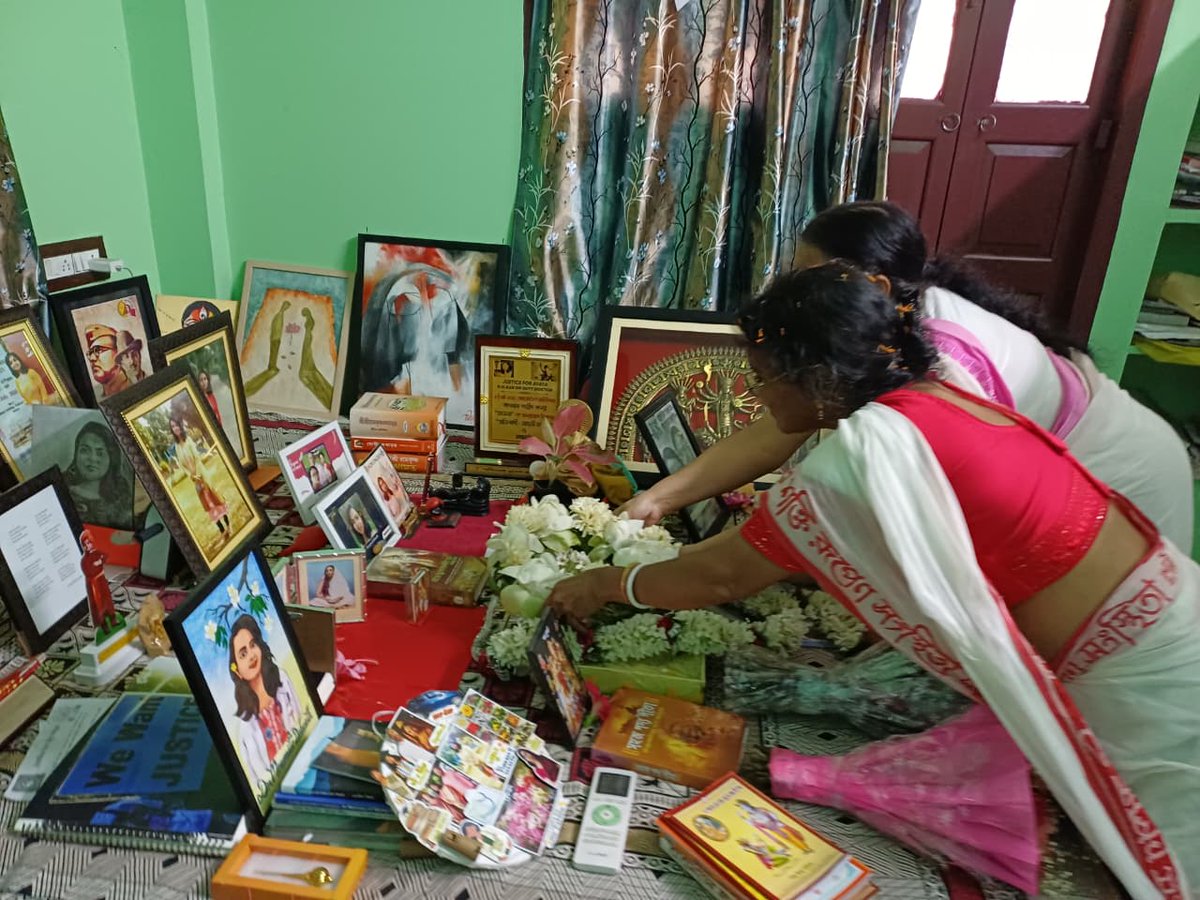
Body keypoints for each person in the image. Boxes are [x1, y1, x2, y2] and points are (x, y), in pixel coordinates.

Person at [547, 264, 1200, 895]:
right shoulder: (931, 399)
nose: (756, 397)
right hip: (1159, 610)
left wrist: (605, 585)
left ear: (817, 381)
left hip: (1137, 672)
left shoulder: (865, 455)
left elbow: (722, 575)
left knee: (1166, 860)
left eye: (764, 380)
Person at [622, 201, 1194, 552]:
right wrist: (659, 499)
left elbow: (929, 524)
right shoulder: (885, 330)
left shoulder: (941, 368)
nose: (799, 293)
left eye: (814, 277)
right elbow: (783, 427)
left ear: (874, 287)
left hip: (1117, 485)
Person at [228, 613, 301, 788]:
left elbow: (303, 721)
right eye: (243, 654)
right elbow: (258, 782)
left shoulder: (282, 681)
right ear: (237, 670)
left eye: (253, 645)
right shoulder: (245, 729)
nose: (251, 656)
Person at [168, 415, 230, 538]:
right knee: (207, 503)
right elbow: (182, 466)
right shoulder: (177, 447)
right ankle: (222, 530)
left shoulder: (188, 441)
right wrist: (191, 476)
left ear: (180, 425)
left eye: (176, 425)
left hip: (202, 475)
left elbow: (196, 458)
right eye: (172, 426)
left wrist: (197, 474)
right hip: (194, 480)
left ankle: (228, 525)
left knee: (215, 498)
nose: (175, 428)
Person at [64, 421, 133, 529]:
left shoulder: (121, 497)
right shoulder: (62, 489)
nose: (92, 458)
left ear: (111, 458)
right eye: (85, 450)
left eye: (100, 453)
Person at [85, 324, 133, 397]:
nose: (92, 358)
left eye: (99, 350)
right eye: (90, 353)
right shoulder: (97, 396)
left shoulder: (134, 389)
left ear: (118, 352)